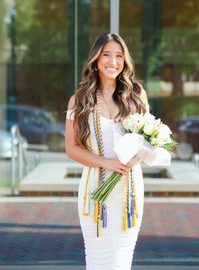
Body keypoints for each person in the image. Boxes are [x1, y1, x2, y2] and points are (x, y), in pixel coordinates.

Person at [65, 33, 149, 270]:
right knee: (97, 259)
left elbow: (148, 139)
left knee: (122, 259)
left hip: (130, 191)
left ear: (125, 61)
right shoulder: (79, 100)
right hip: (94, 192)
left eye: (119, 56)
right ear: (96, 59)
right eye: (107, 55)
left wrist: (141, 154)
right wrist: (106, 162)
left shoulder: (137, 96)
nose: (113, 61)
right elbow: (71, 148)